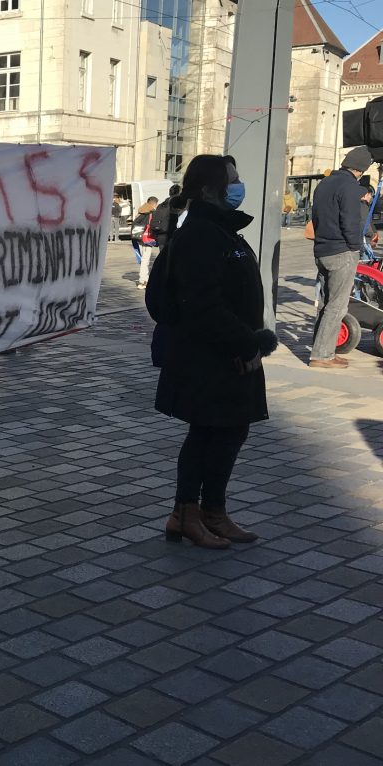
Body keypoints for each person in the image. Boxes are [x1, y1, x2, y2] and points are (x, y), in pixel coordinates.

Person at [154, 155, 276, 549]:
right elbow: (202, 304)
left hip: (226, 352)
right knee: (212, 433)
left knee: (222, 432)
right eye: (233, 180)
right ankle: (188, 514)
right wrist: (246, 342)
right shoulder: (202, 234)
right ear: (208, 189)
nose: (239, 185)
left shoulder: (218, 229)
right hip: (212, 356)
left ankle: (209, 513)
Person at [309, 147, 374, 368]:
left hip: (322, 250)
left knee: (327, 304)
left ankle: (324, 350)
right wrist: (355, 247)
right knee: (337, 306)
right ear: (361, 168)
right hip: (341, 251)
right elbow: (350, 221)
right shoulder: (349, 187)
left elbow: (315, 216)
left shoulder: (325, 183)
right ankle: (321, 355)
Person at [132, 197, 159, 289]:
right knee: (145, 260)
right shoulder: (151, 212)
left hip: (139, 238)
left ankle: (144, 279)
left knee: (143, 259)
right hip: (147, 238)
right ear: (154, 204)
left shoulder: (141, 211)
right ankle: (143, 281)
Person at [149, 184, 184, 254]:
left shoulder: (161, 205)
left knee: (164, 258)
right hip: (172, 236)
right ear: (179, 193)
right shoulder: (177, 204)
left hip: (160, 236)